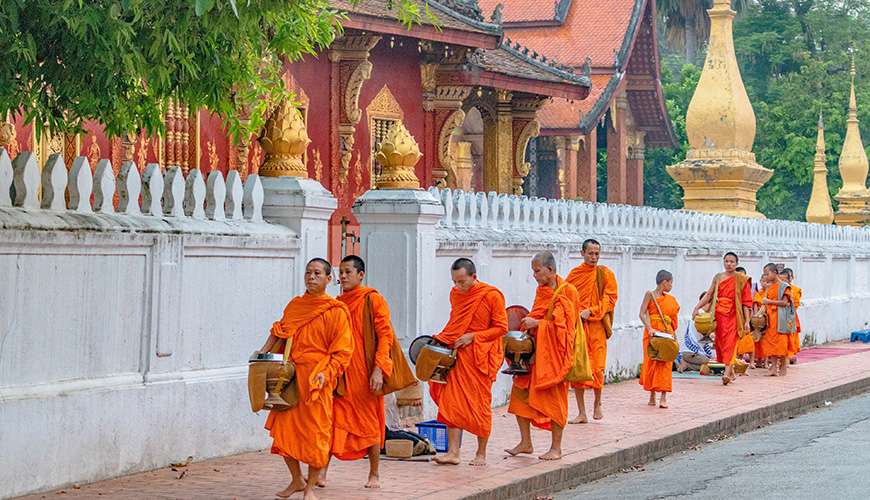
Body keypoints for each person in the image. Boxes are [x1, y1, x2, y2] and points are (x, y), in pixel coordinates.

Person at [258, 258, 353, 500]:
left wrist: (326, 373)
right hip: (289, 377)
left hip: (316, 380)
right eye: (308, 273)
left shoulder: (336, 311)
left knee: (316, 434)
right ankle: (296, 480)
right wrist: (262, 357)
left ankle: (310, 488)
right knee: (284, 431)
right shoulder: (295, 306)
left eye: (317, 273)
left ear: (328, 279)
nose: (311, 277)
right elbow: (280, 332)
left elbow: (342, 352)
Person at [321, 256, 395, 489]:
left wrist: (378, 369)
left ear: (361, 275)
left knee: (370, 424)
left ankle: (374, 474)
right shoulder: (337, 303)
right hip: (341, 373)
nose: (343, 276)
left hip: (365, 374)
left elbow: (386, 336)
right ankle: (321, 471)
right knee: (332, 421)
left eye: (348, 272)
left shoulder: (373, 300)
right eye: (340, 272)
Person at [429, 258, 508, 466]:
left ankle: (481, 454)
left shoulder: (491, 295)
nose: (458, 286)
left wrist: (473, 337)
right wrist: (442, 340)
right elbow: (455, 322)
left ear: (474, 277)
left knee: (480, 404)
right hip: (458, 356)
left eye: (462, 281)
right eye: (455, 281)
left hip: (480, 357)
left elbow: (501, 328)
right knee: (451, 403)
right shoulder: (455, 294)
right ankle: (453, 453)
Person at [506, 252, 577, 461]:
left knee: (554, 401)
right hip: (535, 353)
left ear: (550, 270)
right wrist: (529, 321)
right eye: (533, 271)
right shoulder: (542, 290)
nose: (534, 275)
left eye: (537, 271)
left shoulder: (568, 292)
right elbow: (540, 313)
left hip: (555, 355)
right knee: (519, 396)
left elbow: (567, 329)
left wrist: (539, 324)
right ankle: (526, 442)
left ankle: (556, 448)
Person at [565, 239, 618, 423]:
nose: (594, 257)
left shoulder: (605, 274)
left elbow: (610, 300)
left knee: (597, 368)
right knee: (578, 368)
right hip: (579, 327)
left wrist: (592, 311)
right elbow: (565, 297)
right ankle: (581, 412)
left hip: (596, 328)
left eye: (597, 253)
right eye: (590, 253)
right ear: (582, 253)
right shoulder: (575, 274)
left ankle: (597, 403)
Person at [692, 252, 752, 386]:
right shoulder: (718, 277)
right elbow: (709, 294)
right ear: (723, 262)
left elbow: (746, 302)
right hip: (719, 316)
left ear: (737, 263)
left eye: (732, 261)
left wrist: (747, 321)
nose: (729, 264)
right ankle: (731, 372)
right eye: (726, 261)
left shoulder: (742, 279)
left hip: (734, 316)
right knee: (721, 345)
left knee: (730, 344)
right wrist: (697, 307)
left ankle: (726, 374)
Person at [639, 270, 680, 408]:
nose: (671, 286)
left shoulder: (671, 300)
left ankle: (663, 396)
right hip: (652, 333)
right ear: (665, 282)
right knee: (652, 362)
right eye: (671, 283)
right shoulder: (649, 295)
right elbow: (642, 313)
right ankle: (652, 395)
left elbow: (673, 319)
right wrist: (649, 328)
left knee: (665, 364)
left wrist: (673, 333)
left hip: (666, 332)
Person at [760, 263, 793, 376]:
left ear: (774, 273)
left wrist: (769, 302)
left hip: (781, 319)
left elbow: (784, 303)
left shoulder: (784, 286)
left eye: (767, 274)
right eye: (764, 274)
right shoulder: (769, 287)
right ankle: (773, 368)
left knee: (781, 344)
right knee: (770, 343)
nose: (766, 276)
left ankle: (783, 367)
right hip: (770, 319)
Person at [676, 292, 715, 372]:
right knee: (713, 365)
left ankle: (685, 364)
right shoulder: (702, 315)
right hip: (692, 353)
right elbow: (706, 335)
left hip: (690, 353)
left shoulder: (699, 313)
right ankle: (686, 364)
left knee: (711, 364)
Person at [734, 267, 756, 368]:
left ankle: (751, 362)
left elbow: (747, 305)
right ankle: (737, 361)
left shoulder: (746, 287)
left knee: (748, 341)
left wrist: (747, 320)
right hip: (732, 317)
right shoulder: (730, 285)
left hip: (743, 317)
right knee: (735, 342)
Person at [781, 268, 802, 364]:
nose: (783, 282)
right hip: (779, 316)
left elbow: (796, 304)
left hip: (790, 316)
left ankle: (790, 354)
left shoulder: (795, 290)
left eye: (785, 280)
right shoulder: (778, 288)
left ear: (790, 279)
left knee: (791, 336)